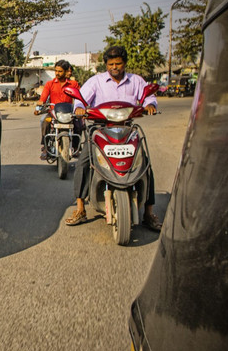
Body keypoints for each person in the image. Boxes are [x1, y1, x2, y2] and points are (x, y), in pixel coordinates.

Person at [65, 46, 162, 231]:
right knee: (84, 162)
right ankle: (80, 208)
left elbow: (149, 98)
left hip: (127, 128)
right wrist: (79, 107)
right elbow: (80, 100)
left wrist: (150, 105)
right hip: (100, 128)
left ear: (125, 63)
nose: (114, 67)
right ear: (106, 65)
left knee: (145, 165)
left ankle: (149, 213)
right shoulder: (96, 81)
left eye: (118, 63)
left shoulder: (136, 80)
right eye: (111, 64)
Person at [34, 59, 80, 160]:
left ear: (66, 71)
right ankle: (45, 147)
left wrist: (80, 108)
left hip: (69, 113)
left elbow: (79, 98)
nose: (57, 73)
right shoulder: (50, 84)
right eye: (56, 71)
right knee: (44, 121)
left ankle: (76, 147)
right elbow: (43, 98)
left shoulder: (73, 84)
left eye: (60, 71)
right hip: (54, 112)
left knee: (78, 124)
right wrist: (40, 104)